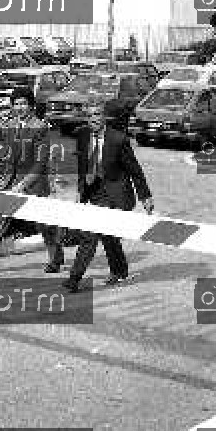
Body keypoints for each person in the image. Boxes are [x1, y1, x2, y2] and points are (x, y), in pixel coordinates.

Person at [0, 89, 64, 274]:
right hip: (12, 182)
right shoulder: (11, 125)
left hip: (34, 183)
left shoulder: (40, 127)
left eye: (23, 103)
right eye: (16, 104)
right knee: (0, 218)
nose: (19, 107)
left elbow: (40, 162)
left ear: (31, 106)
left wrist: (23, 185)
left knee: (44, 225)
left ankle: (56, 257)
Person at [62, 103, 154, 292]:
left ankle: (74, 278)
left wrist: (145, 196)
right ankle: (120, 270)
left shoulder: (118, 139)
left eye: (97, 114)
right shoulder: (84, 136)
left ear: (104, 117)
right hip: (94, 192)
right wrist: (81, 189)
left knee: (90, 233)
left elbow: (135, 171)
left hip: (115, 193)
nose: (93, 119)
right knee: (107, 233)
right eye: (89, 116)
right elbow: (83, 165)